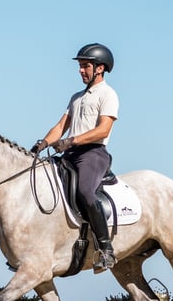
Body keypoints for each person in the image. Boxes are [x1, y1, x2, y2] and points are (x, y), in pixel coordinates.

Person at [31, 43, 119, 272]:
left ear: (100, 68)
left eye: (85, 66)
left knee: (85, 192)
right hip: (71, 152)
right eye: (80, 66)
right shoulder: (76, 97)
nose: (81, 70)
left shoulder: (108, 95)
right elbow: (61, 126)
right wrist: (43, 143)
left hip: (93, 154)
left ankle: (106, 249)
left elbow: (103, 130)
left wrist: (72, 140)